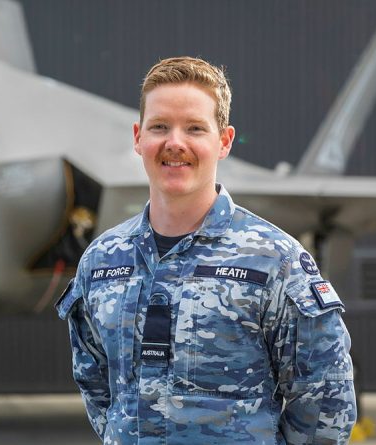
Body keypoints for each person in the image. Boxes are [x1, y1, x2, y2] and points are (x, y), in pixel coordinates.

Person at [55, 57, 356, 444]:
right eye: (159, 126)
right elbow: (98, 390)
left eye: (195, 128)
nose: (174, 143)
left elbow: (324, 403)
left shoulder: (274, 261)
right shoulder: (102, 261)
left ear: (224, 141)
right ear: (137, 137)